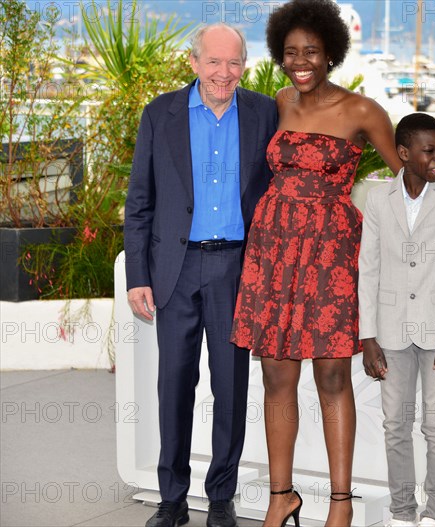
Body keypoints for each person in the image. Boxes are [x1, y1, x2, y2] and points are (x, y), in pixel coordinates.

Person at [230, 1, 401, 526]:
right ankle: (282, 496)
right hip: (274, 250)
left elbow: (405, 181)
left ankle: (341, 504)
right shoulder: (278, 101)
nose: (299, 62)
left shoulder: (364, 111)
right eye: (290, 53)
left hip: (330, 256)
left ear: (331, 54)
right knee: (276, 377)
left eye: (311, 52)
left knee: (332, 377)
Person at [124, 24, 277, 527]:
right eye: (214, 62)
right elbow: (139, 203)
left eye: (234, 63)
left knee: (231, 389)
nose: (224, 73)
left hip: (237, 268)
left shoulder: (263, 112)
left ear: (244, 66)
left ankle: (220, 499)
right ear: (193, 63)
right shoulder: (159, 114)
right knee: (175, 384)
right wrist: (137, 275)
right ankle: (172, 498)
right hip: (176, 268)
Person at [359, 113, 435, 527]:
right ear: (404, 154)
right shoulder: (378, 198)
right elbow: (367, 267)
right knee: (395, 426)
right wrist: (367, 335)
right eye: (430, 150)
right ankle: (403, 513)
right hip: (390, 332)